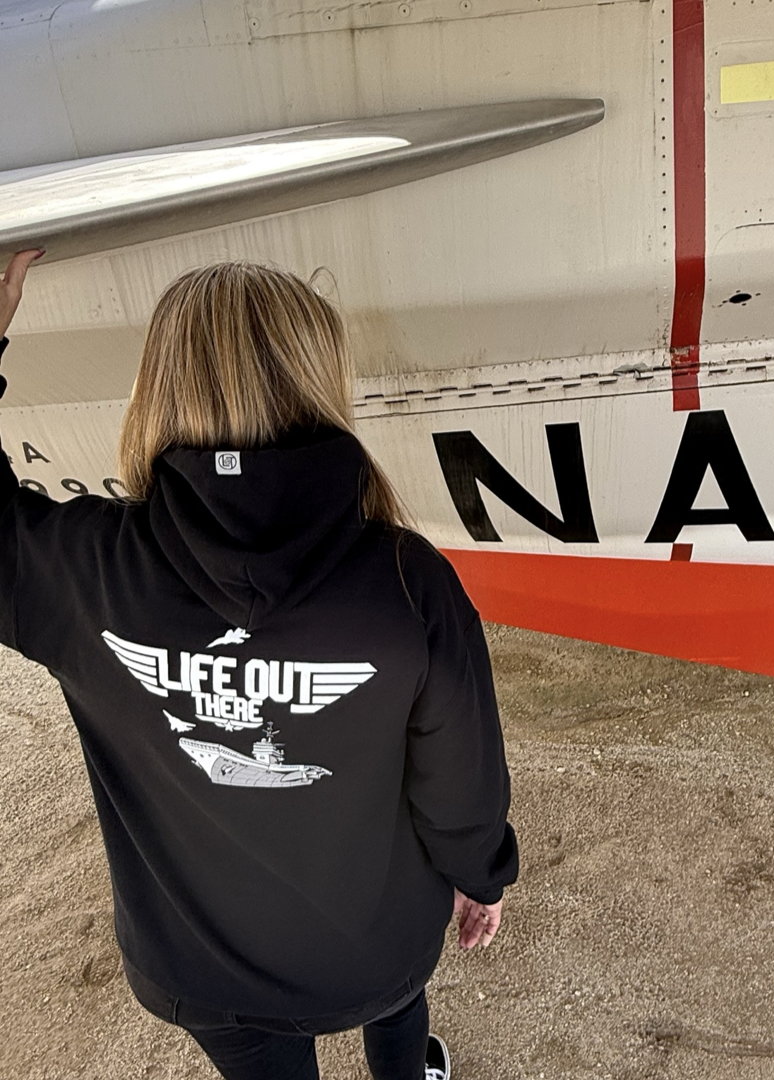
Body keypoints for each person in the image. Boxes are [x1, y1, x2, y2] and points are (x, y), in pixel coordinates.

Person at [0, 249, 519, 1080]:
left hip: (205, 971)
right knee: (395, 1007)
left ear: (156, 388)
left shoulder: (80, 573)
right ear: (318, 383)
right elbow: (461, 779)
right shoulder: (403, 580)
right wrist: (479, 875)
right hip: (377, 945)